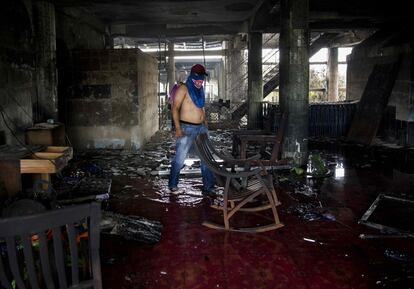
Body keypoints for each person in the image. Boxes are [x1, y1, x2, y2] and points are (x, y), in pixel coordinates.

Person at [168, 64, 215, 194]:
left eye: (202, 78)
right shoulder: (184, 88)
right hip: (186, 127)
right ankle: (173, 185)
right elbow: (175, 108)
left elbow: (201, 106)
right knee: (180, 158)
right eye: (199, 78)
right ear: (193, 76)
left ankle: (208, 187)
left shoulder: (200, 89)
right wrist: (177, 128)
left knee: (206, 158)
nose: (201, 81)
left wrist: (204, 120)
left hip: (201, 128)